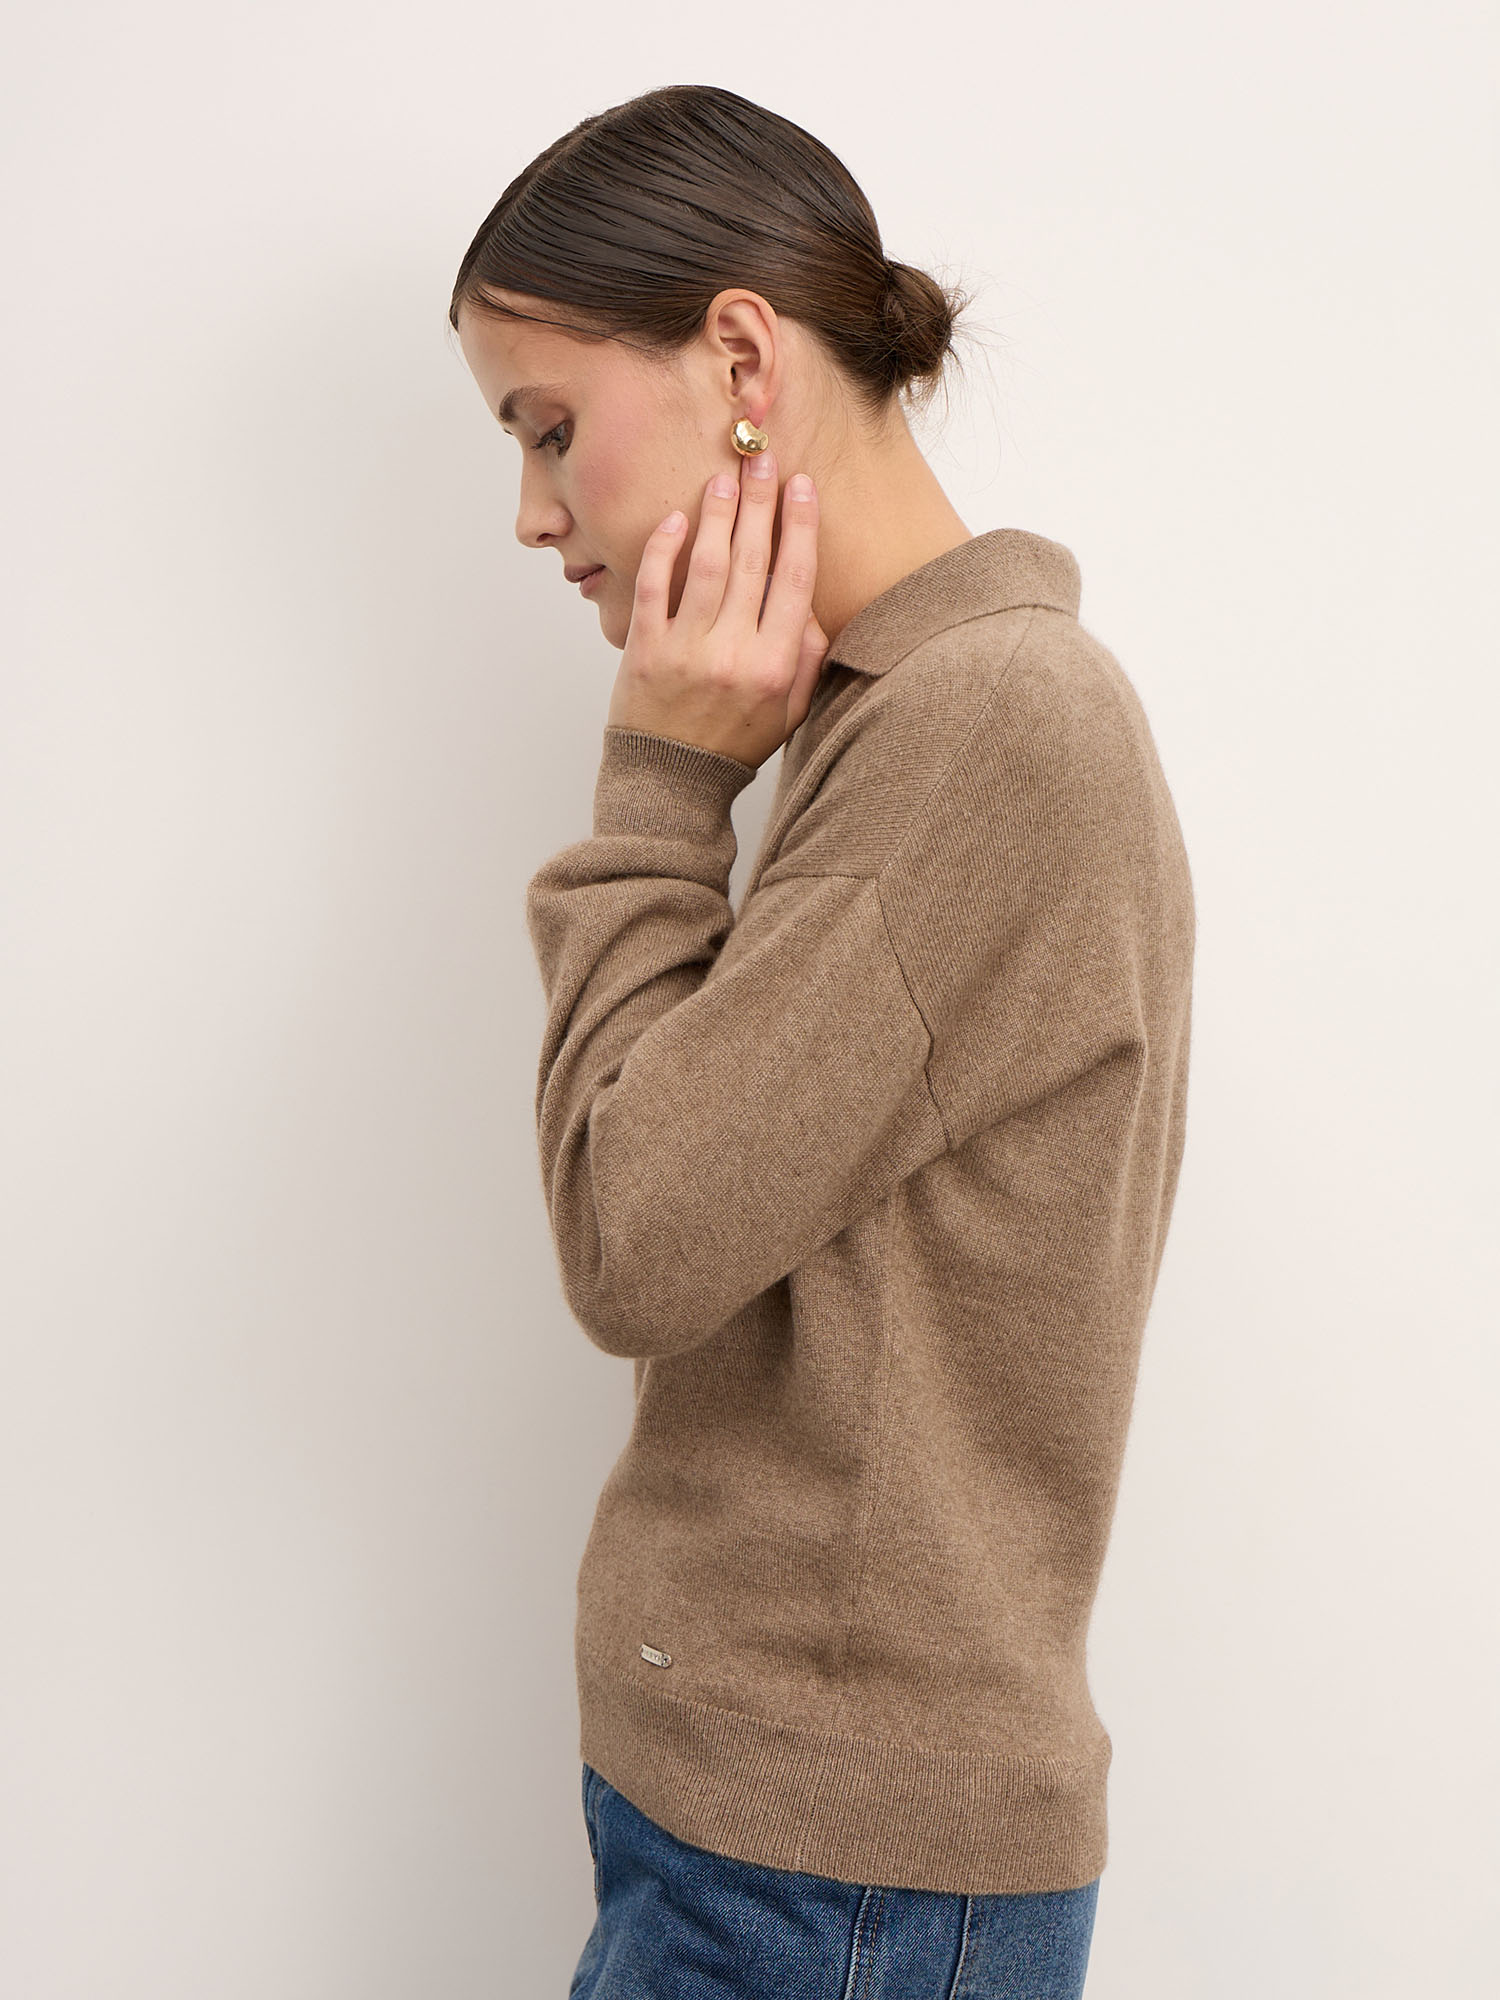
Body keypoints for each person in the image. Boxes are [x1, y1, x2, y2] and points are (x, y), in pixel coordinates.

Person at [450, 82, 1195, 2000]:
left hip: (830, 1880)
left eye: (548, 428)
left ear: (740, 358)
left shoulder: (992, 724)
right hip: (786, 1855)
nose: (532, 514)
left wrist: (658, 787)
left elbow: (637, 1238)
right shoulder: (904, 715)